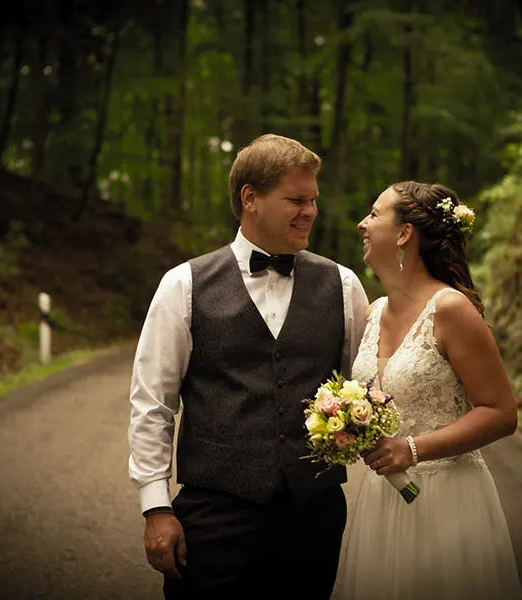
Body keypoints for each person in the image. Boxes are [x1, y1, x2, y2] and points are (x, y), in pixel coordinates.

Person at [127, 133, 369, 599]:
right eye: (296, 200)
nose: (310, 212)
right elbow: (152, 403)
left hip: (312, 514)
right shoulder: (184, 285)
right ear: (250, 198)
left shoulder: (343, 284)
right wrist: (155, 508)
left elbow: (367, 387)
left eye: (314, 200)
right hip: (214, 514)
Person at [333, 181, 522, 599]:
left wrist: (413, 449)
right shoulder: (374, 311)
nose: (362, 224)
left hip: (447, 500)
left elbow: (501, 412)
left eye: (374, 214)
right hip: (383, 500)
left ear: (404, 234)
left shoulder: (451, 309)